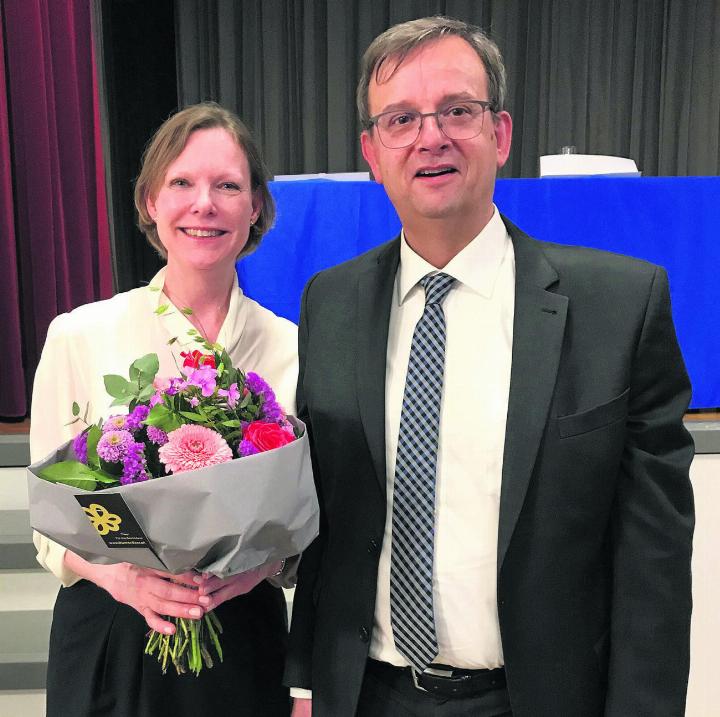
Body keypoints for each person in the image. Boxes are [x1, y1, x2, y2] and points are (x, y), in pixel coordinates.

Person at [285, 16, 694, 717]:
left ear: (500, 134)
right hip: (369, 694)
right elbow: (333, 524)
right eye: (401, 118)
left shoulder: (619, 308)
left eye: (457, 111)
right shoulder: (333, 302)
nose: (430, 136)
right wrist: (302, 682)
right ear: (373, 152)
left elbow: (652, 563)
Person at [30, 102, 296, 717]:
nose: (204, 204)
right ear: (151, 200)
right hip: (111, 629)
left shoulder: (292, 348)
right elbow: (50, 517)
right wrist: (120, 576)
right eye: (181, 183)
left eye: (228, 185)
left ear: (254, 206)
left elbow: (303, 522)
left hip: (239, 631)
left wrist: (255, 572)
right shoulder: (80, 335)